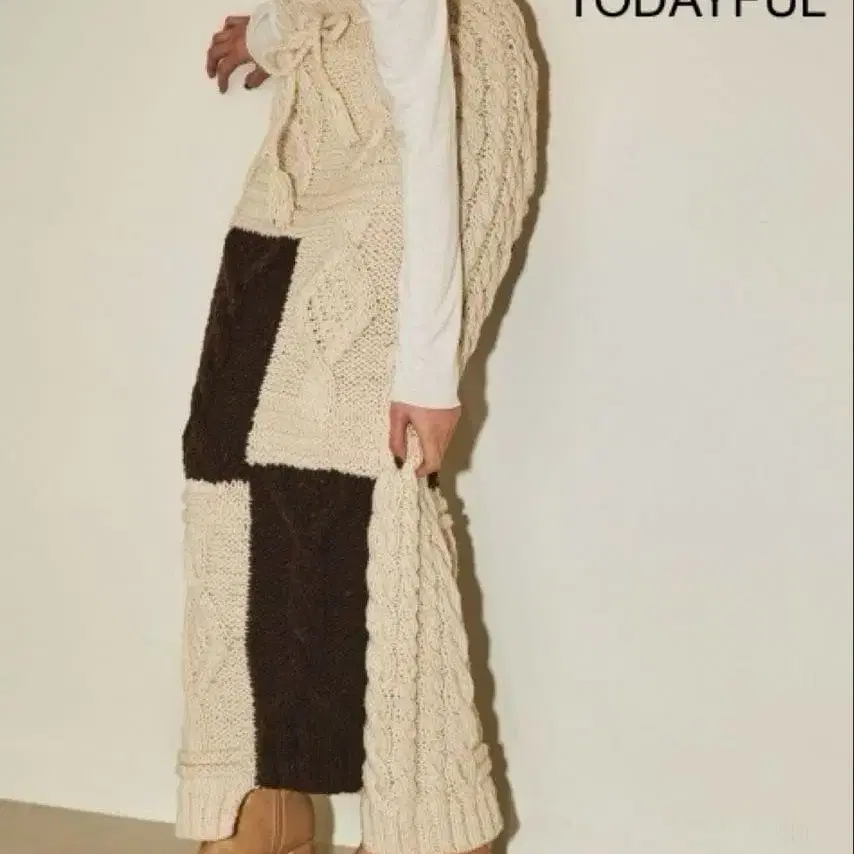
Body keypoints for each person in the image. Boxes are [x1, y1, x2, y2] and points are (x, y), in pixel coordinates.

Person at [176, 1, 537, 853]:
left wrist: (427, 368)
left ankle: (427, 823)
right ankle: (261, 803)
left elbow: (425, 100)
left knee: (359, 477)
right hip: (324, 126)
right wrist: (273, 33)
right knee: (227, 458)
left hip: (428, 126)